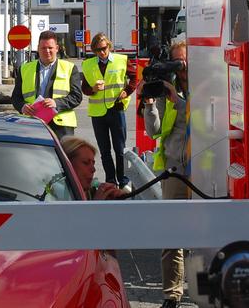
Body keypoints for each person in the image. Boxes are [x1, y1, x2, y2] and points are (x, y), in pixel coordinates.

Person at [141, 41, 189, 308]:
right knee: (172, 233)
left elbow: (204, 117)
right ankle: (172, 295)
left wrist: (178, 102)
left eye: (184, 61)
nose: (181, 67)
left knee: (206, 231)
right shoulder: (167, 86)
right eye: (177, 62)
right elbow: (154, 131)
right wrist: (150, 105)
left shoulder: (207, 82)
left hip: (203, 168)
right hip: (174, 169)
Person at [81, 32, 137, 188]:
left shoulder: (121, 60)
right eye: (98, 50)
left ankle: (123, 181)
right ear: (94, 50)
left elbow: (134, 77)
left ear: (109, 46)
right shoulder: (88, 64)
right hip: (98, 113)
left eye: (104, 48)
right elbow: (84, 88)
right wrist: (92, 89)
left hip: (116, 109)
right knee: (105, 151)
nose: (102, 52)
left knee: (120, 149)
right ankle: (111, 180)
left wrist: (127, 91)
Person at [12, 30, 83, 139]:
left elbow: (77, 97)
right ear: (38, 48)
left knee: (61, 155)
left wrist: (56, 103)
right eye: (43, 48)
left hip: (61, 126)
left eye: (50, 48)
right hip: (32, 123)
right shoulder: (25, 69)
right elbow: (16, 97)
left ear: (57, 48)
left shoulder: (70, 68)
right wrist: (22, 107)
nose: (47, 51)